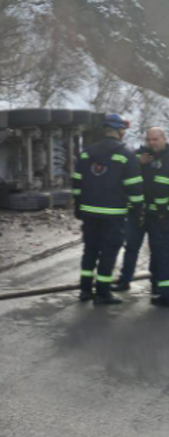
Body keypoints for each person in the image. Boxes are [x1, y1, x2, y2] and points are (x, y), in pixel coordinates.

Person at [72, 113, 144, 305]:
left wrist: (78, 205)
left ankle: (85, 291)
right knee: (109, 251)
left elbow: (77, 182)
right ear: (120, 131)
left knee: (90, 250)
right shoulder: (126, 154)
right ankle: (103, 294)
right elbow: (134, 187)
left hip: (89, 212)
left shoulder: (86, 153)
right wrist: (138, 211)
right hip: (113, 214)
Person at [112, 127, 169, 296]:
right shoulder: (138, 155)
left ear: (164, 139)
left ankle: (157, 283)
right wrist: (138, 163)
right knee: (131, 247)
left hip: (160, 214)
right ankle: (125, 280)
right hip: (137, 212)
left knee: (158, 249)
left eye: (155, 139)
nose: (151, 143)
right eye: (148, 140)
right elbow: (121, 173)